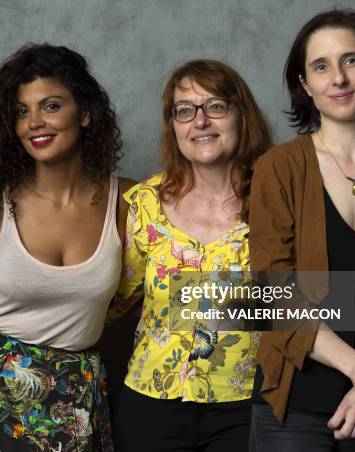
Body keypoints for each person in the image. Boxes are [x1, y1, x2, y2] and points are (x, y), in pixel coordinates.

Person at [0, 43, 133, 451]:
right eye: (21, 111)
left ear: (84, 113)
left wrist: (291, 305)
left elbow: (184, 273)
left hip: (77, 398)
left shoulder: (129, 202)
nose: (34, 123)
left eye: (50, 106)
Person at [249, 9, 355, 451]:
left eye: (351, 60)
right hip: (295, 400)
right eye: (320, 66)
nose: (338, 79)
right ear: (305, 84)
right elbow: (272, 291)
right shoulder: (279, 167)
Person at [110, 59, 272, 451]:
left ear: (242, 116)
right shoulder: (145, 203)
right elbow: (117, 301)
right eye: (185, 110)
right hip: (151, 402)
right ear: (174, 126)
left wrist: (199, 299)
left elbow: (312, 300)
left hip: (246, 405)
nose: (200, 121)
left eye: (215, 106)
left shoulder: (279, 199)